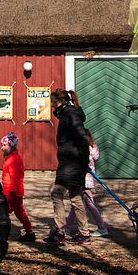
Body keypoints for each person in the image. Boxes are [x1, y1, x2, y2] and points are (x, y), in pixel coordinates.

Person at [45, 89, 92, 247]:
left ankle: (59, 232)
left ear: (60, 102)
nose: (52, 108)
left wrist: (84, 164)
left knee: (56, 193)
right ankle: (84, 234)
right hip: (71, 162)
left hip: (71, 162)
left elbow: (83, 140)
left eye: (53, 104)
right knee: (75, 197)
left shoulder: (70, 116)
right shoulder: (69, 114)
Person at [66, 129, 109, 238]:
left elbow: (89, 160)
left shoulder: (88, 149)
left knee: (87, 204)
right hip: (82, 179)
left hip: (85, 180)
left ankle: (102, 228)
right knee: (76, 204)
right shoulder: (91, 148)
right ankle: (66, 228)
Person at [0, 131, 35, 241]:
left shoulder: (13, 160)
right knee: (19, 212)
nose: (2, 148)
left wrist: (11, 192)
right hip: (13, 191)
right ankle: (29, 231)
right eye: (1, 145)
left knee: (4, 212)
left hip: (12, 192)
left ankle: (2, 232)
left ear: (12, 146)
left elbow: (15, 177)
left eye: (4, 145)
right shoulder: (10, 158)